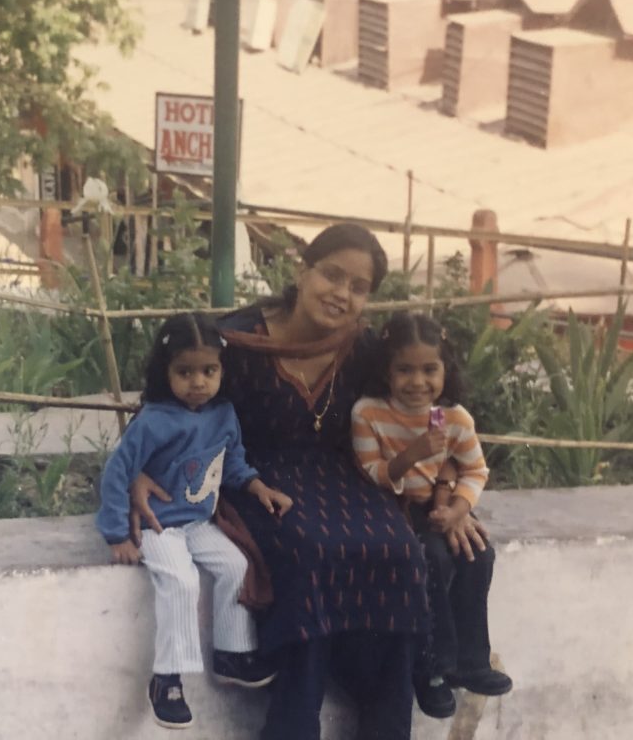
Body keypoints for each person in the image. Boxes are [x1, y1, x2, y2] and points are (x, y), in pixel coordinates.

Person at [131, 223, 430, 740]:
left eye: (358, 287)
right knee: (308, 546)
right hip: (247, 474)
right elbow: (163, 404)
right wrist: (138, 472)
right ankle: (294, 720)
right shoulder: (237, 340)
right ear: (301, 270)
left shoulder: (360, 351)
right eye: (332, 275)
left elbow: (417, 411)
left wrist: (452, 491)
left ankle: (387, 716)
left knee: (400, 546)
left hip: (338, 476)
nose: (342, 294)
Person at [96, 312, 293, 730]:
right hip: (158, 526)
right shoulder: (153, 421)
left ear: (223, 371)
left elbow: (233, 461)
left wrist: (258, 487)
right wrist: (117, 535)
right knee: (181, 582)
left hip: (198, 521)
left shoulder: (223, 414)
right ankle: (168, 676)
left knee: (236, 565)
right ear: (164, 372)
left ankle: (231, 652)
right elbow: (117, 472)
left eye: (209, 371)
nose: (198, 382)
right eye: (184, 372)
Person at [351, 311, 513, 719]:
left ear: (445, 370)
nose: (417, 382)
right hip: (388, 508)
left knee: (479, 554)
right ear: (386, 372)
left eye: (429, 370)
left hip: (435, 507)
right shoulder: (369, 413)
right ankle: (434, 669)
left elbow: (474, 469)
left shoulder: (450, 417)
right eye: (404, 369)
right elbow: (373, 476)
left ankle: (472, 661)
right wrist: (412, 454)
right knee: (434, 560)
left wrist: (458, 510)